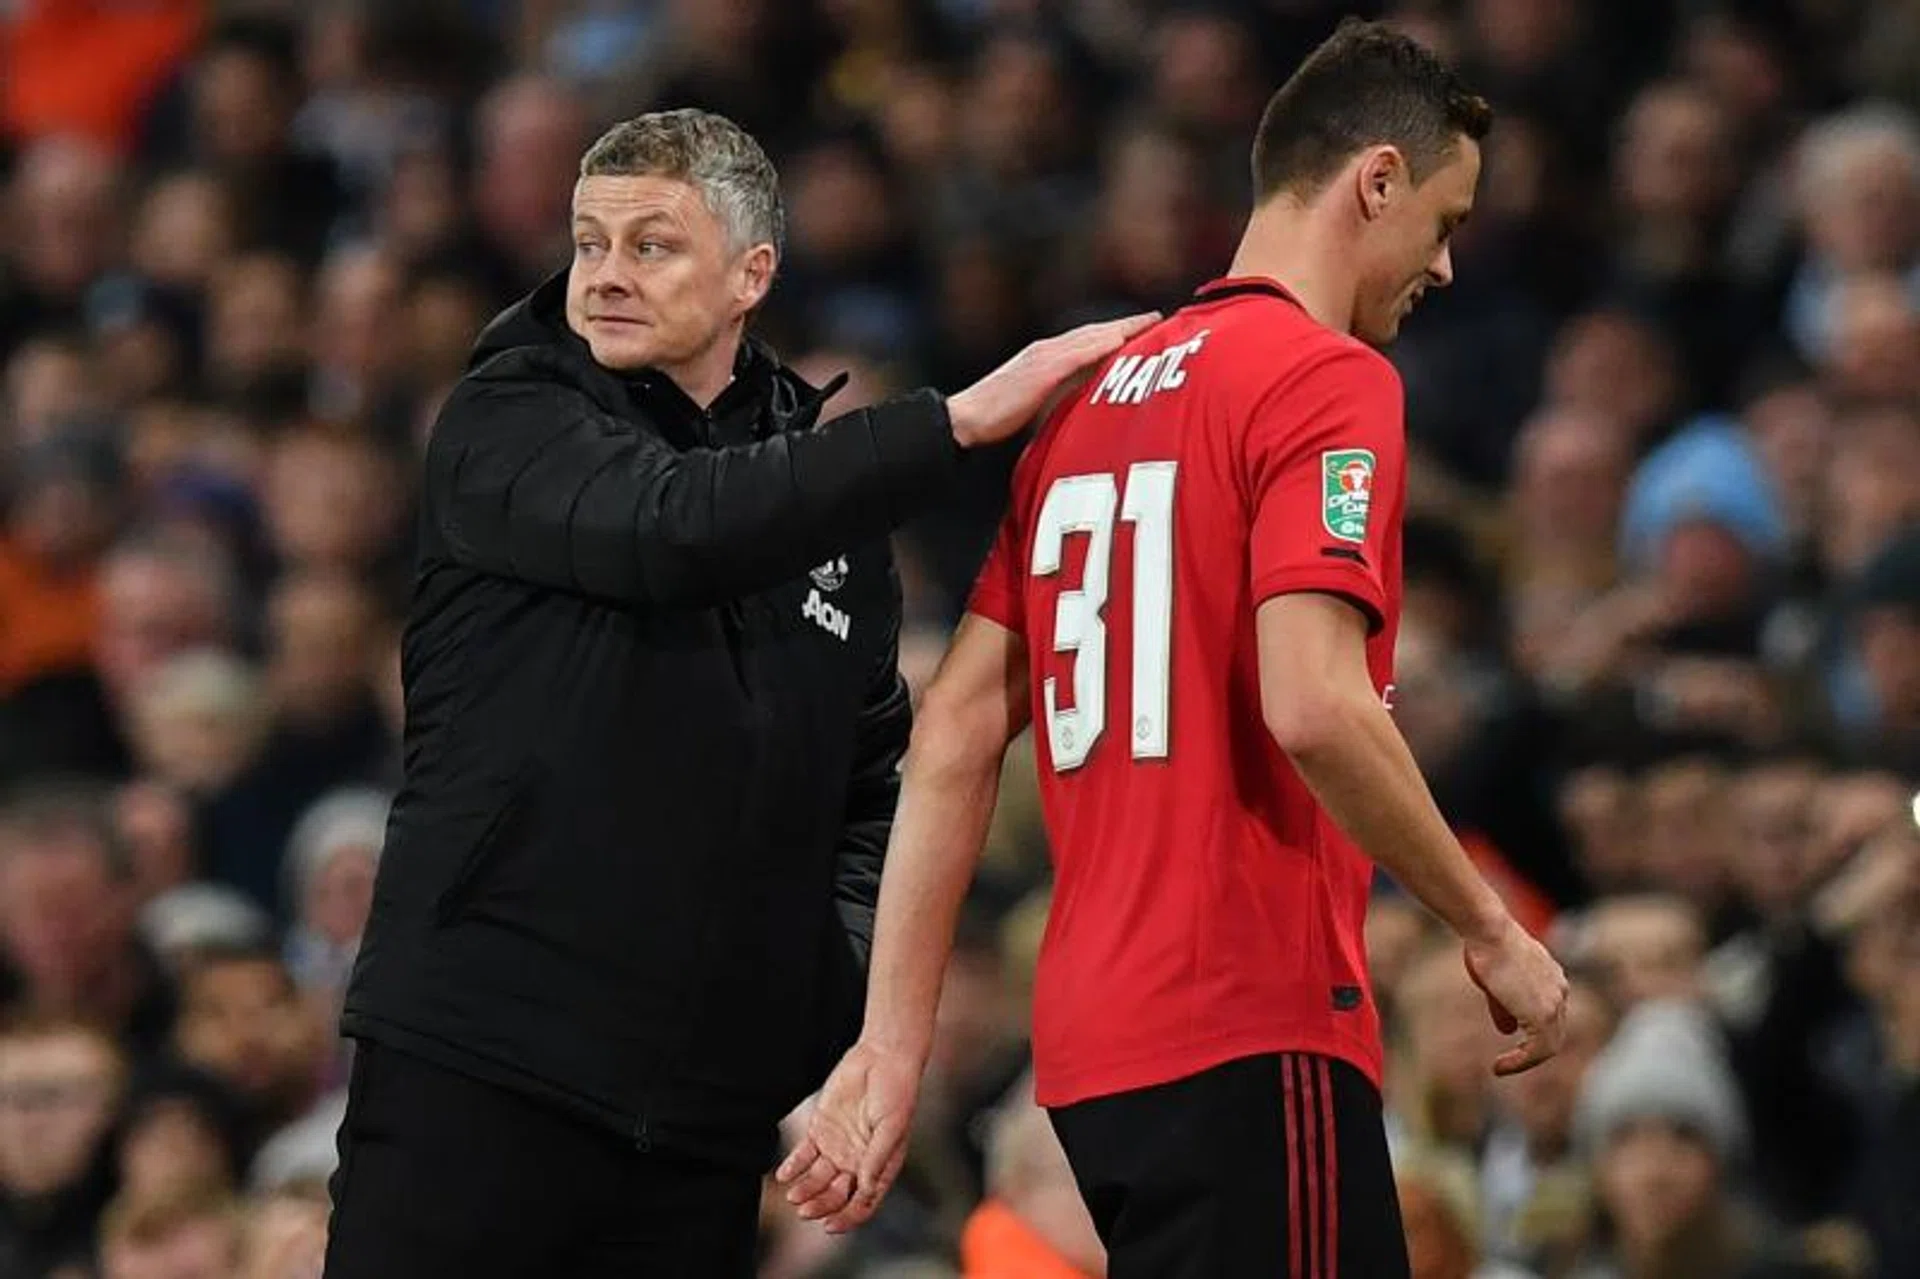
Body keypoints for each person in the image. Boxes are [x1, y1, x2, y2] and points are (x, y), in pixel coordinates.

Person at [779, 21, 1571, 1278]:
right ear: (1376, 180)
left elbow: (955, 732)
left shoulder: (1090, 395)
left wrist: (889, 1044)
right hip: (1252, 1016)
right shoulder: (1328, 377)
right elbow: (1314, 705)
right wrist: (1490, 927)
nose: (1447, 268)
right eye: (1446, 220)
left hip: (1095, 1062)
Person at [322, 108, 1150, 1278]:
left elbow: (866, 798)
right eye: (589, 241)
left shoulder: (828, 521)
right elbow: (677, 528)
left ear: (752, 271)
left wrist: (822, 1033)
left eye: (650, 244)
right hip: (484, 1064)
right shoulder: (509, 417)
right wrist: (954, 423)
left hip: (698, 1126)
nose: (605, 275)